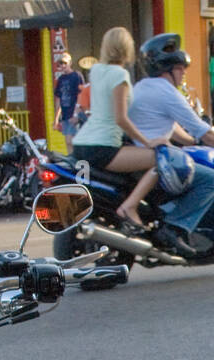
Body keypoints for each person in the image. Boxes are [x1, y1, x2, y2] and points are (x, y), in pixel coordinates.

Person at [118, 39, 214, 249]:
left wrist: (191, 140)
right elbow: (206, 133)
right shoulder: (168, 93)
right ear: (166, 70)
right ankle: (175, 227)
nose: (183, 73)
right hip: (153, 160)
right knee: (212, 180)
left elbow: (168, 125)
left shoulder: (143, 86)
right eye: (179, 68)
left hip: (137, 154)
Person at [70, 27, 173, 224]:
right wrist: (148, 142)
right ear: (126, 48)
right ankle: (130, 206)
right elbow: (121, 119)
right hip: (104, 145)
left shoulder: (97, 71)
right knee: (159, 159)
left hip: (82, 142)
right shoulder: (120, 75)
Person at [53, 53, 83, 153]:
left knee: (73, 142)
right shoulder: (61, 79)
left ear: (70, 63)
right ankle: (73, 165)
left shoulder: (76, 76)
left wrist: (76, 114)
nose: (62, 65)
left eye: (64, 63)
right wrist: (56, 119)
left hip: (75, 115)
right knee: (68, 143)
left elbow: (81, 96)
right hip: (65, 115)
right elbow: (58, 99)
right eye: (60, 63)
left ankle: (79, 164)